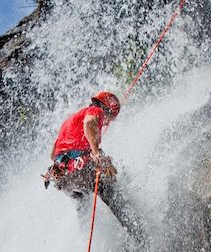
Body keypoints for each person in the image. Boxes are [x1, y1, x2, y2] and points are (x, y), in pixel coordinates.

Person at [42, 91, 147, 243]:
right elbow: (90, 122)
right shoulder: (95, 111)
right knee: (110, 193)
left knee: (81, 200)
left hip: (61, 177)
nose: (106, 122)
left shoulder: (69, 121)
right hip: (80, 168)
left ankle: (85, 238)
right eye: (110, 118)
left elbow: (53, 154)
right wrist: (97, 154)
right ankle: (139, 235)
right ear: (106, 109)